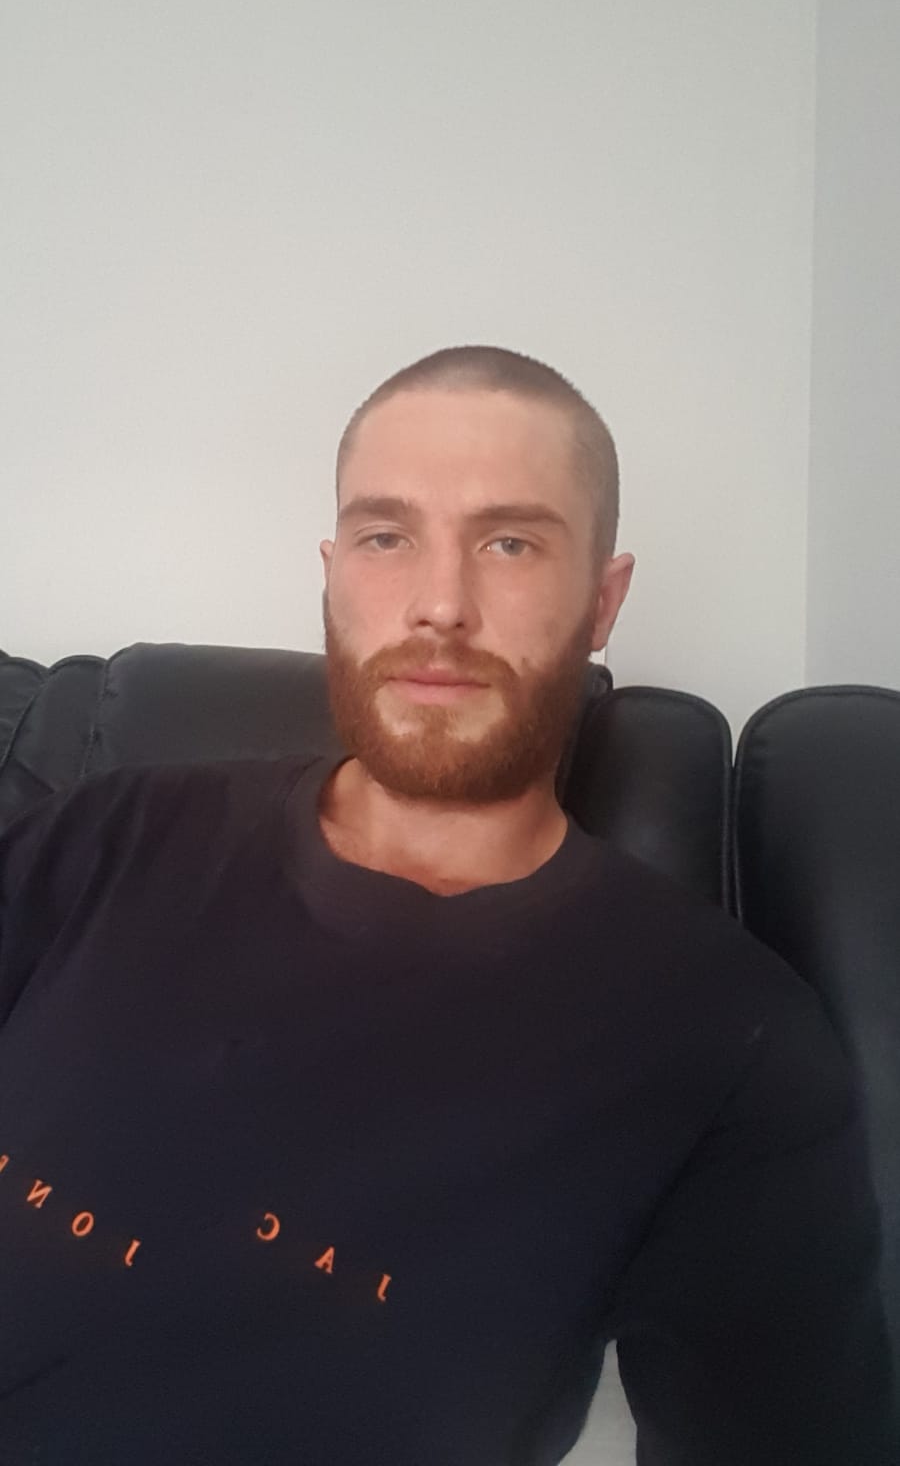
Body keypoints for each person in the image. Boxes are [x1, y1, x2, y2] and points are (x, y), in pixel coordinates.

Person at [0, 345, 894, 1465]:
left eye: (510, 542)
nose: (439, 605)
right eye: (386, 536)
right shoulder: (108, 832)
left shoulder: (728, 1042)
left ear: (603, 599)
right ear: (333, 572)